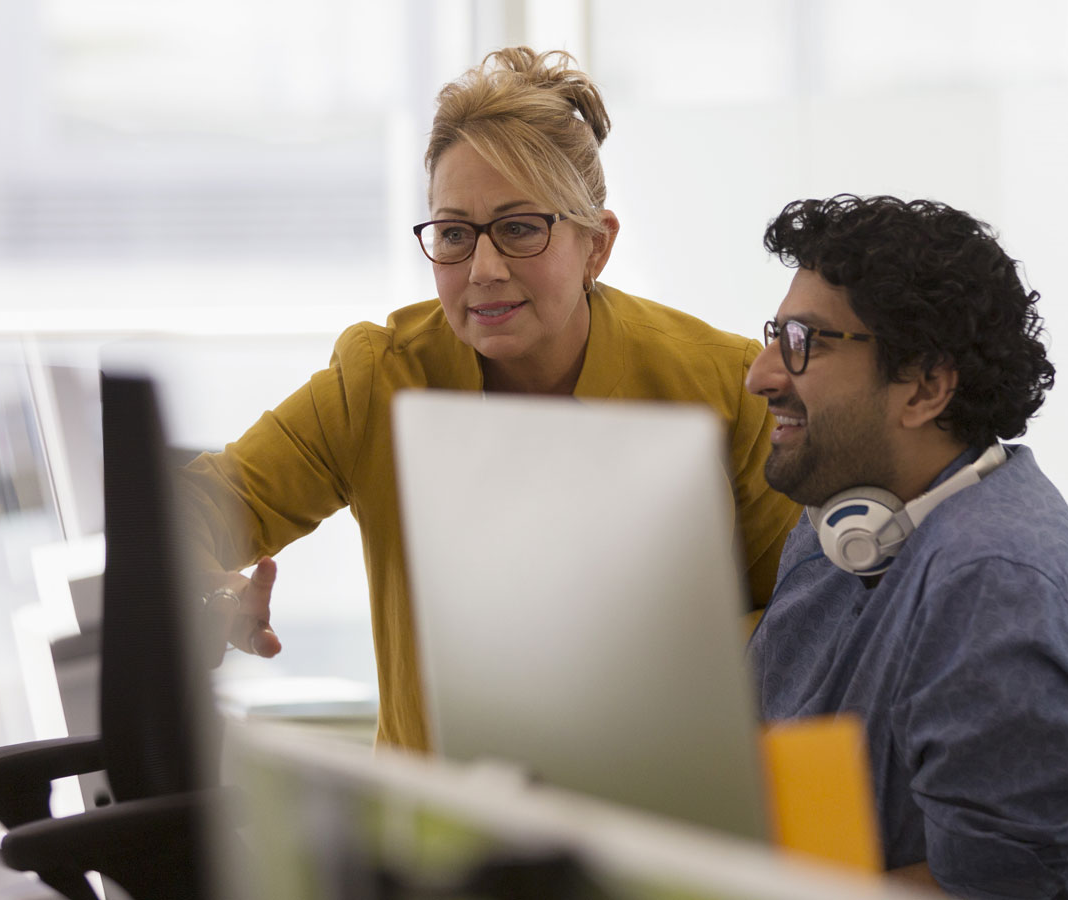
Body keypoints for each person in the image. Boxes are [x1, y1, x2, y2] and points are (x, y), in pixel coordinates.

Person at [177, 47, 800, 751]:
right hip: (437, 830)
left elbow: (806, 616)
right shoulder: (380, 379)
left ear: (596, 245)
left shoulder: (726, 385)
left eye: (520, 228)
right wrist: (214, 597)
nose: (484, 270)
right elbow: (192, 508)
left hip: (657, 805)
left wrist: (647, 664)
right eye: (453, 234)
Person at [745, 194, 1068, 898]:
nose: (762, 375)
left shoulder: (997, 584)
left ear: (924, 387)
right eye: (775, 336)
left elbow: (990, 892)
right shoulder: (836, 529)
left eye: (805, 342)